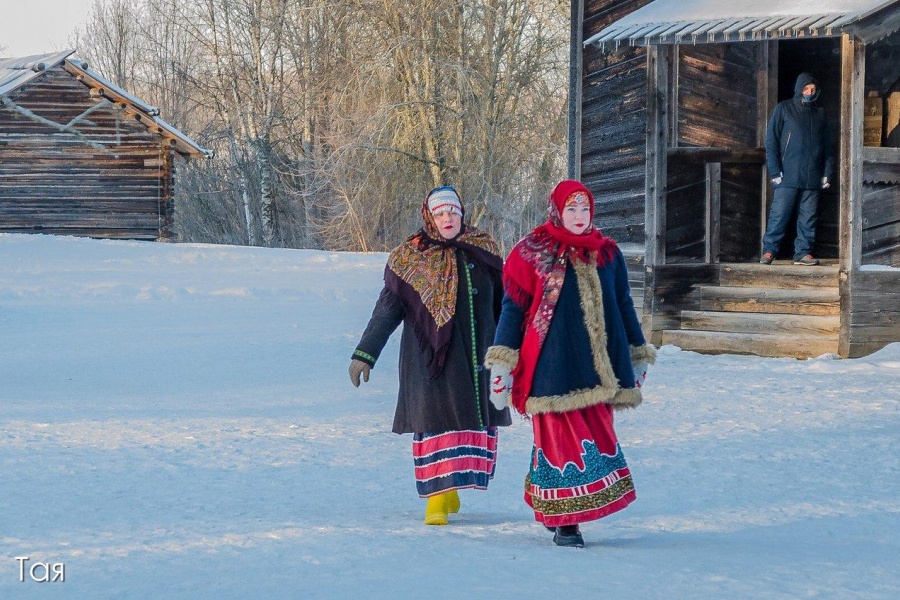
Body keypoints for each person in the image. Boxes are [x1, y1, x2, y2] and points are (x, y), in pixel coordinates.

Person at [485, 180, 655, 548]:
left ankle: (555, 510)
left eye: (585, 210)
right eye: (571, 209)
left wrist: (638, 352)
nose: (579, 217)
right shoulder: (531, 253)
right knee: (561, 442)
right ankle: (567, 523)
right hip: (551, 366)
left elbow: (624, 305)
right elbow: (512, 311)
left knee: (592, 440)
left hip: (599, 370)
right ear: (558, 211)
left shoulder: (608, 254)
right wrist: (502, 363)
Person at [349, 186, 511, 526]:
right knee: (436, 426)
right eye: (440, 213)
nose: (447, 218)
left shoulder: (484, 250)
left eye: (452, 211)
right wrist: (366, 352)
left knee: (468, 424)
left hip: (478, 359)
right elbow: (387, 309)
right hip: (431, 362)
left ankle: (450, 488)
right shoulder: (411, 257)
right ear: (429, 217)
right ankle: (436, 498)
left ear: (462, 213)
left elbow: (507, 305)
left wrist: (516, 348)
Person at [762, 72, 835, 266]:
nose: (809, 92)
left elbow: (828, 147)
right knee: (779, 214)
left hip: (812, 175)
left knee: (808, 217)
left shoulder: (820, 114)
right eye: (806, 89)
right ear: (798, 89)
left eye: (812, 89)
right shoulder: (784, 109)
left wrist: (827, 173)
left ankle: (803, 252)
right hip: (788, 175)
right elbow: (771, 142)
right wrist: (775, 171)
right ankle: (769, 250)